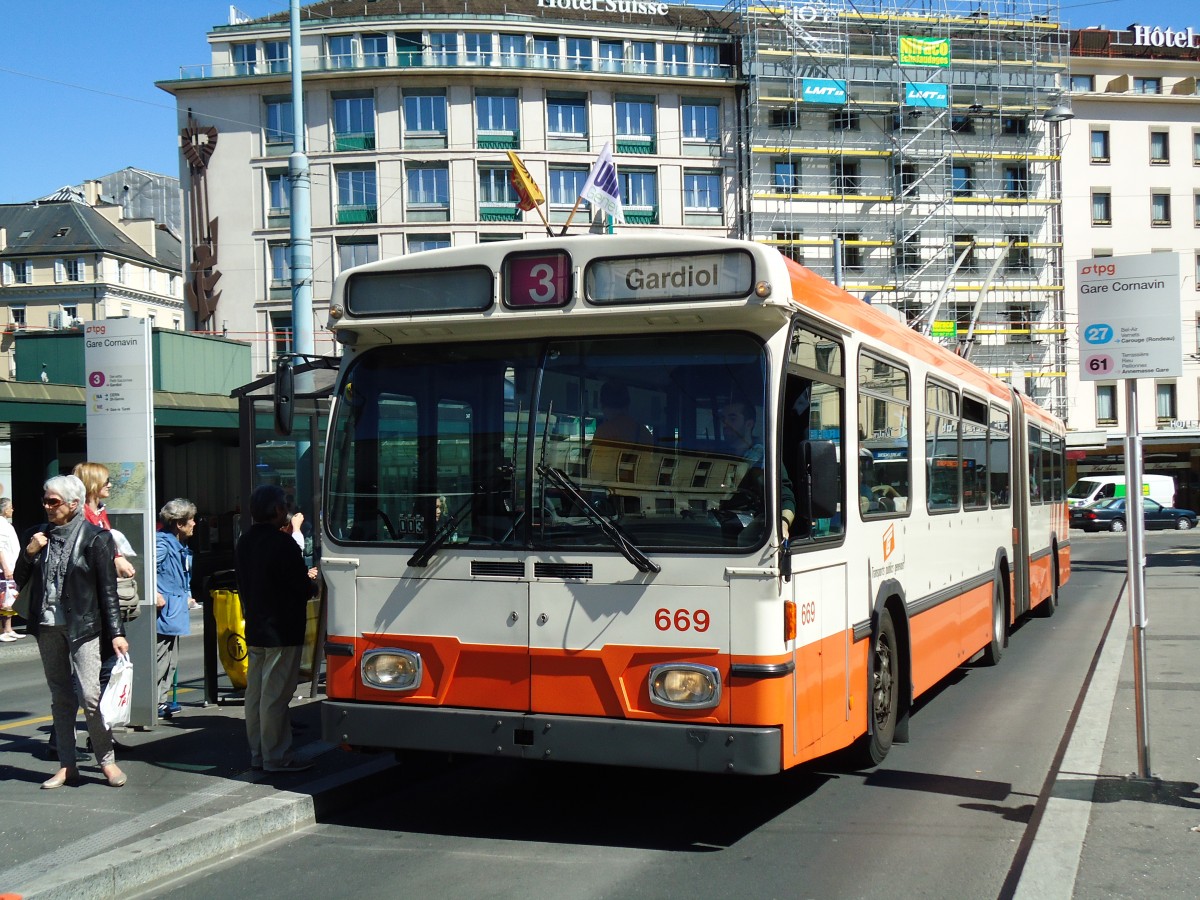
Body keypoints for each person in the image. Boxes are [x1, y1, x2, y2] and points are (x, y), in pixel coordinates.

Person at [13, 475, 128, 788]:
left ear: (74, 505)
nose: (48, 507)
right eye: (46, 501)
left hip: (84, 626)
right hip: (47, 626)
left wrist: (116, 632)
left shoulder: (96, 538)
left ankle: (107, 761)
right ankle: (67, 765)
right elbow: (18, 579)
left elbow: (108, 591)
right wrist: (30, 552)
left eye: (54, 502)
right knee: (61, 696)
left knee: (90, 695)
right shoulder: (35, 534)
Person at [235, 484, 319, 773]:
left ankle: (258, 753)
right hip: (283, 629)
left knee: (256, 695)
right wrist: (312, 581)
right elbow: (301, 588)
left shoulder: (245, 541)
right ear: (278, 510)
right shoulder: (283, 544)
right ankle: (276, 756)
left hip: (257, 626)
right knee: (276, 697)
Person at [720, 398, 796, 540]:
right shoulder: (717, 455)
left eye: (732, 418)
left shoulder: (764, 458)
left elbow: (786, 498)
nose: (725, 424)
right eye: (723, 418)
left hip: (750, 540)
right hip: (713, 530)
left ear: (749, 423)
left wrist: (783, 525)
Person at [155, 499, 195, 719]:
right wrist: (154, 593)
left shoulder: (178, 545)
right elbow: (146, 569)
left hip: (174, 609)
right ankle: (156, 701)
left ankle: (161, 700)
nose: (194, 524)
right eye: (190, 520)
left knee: (170, 660)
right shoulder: (162, 543)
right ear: (179, 524)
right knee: (161, 658)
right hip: (165, 611)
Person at [0, 498, 23, 641]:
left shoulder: (5, 524)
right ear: (4, 509)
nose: (12, 510)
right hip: (5, 569)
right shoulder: (1, 525)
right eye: (10, 507)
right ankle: (4, 630)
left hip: (11, 567)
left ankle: (9, 628)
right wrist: (6, 568)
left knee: (10, 598)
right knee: (6, 599)